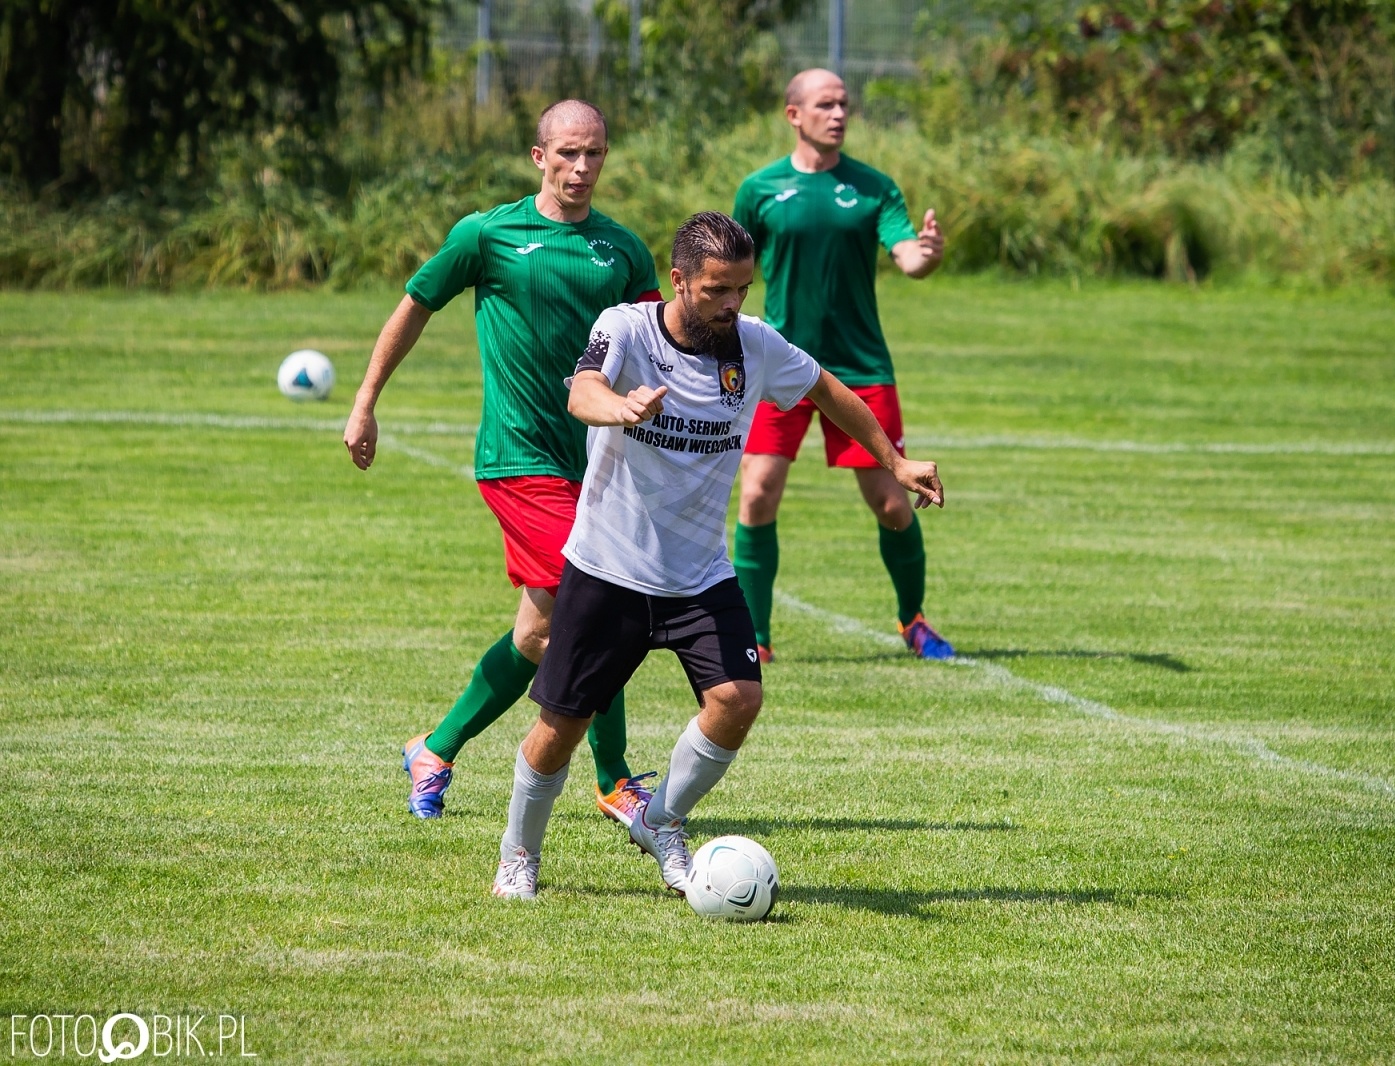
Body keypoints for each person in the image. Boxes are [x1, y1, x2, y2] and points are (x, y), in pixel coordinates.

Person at [491, 212, 945, 899]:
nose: (732, 303)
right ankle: (519, 855)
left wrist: (895, 461)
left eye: (741, 288)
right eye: (715, 290)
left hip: (700, 574)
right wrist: (618, 407)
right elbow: (582, 390)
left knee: (738, 700)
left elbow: (828, 390)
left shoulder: (755, 344)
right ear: (678, 281)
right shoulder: (626, 327)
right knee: (562, 728)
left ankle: (661, 820)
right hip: (609, 567)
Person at [343, 100, 660, 823]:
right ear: (538, 156)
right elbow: (414, 306)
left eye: (595, 155)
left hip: (601, 463)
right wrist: (365, 402)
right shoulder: (487, 233)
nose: (582, 168)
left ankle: (436, 748)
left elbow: (654, 343)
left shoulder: (622, 249)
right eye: (569, 153)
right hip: (518, 459)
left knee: (538, 633)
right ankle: (612, 779)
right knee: (598, 604)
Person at [731, 68, 954, 664]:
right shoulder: (759, 190)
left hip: (860, 369)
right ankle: (755, 638)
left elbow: (908, 256)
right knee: (756, 496)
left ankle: (914, 621)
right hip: (779, 367)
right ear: (793, 115)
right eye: (825, 104)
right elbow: (732, 273)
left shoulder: (874, 188)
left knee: (890, 500)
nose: (838, 114)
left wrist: (926, 256)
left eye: (844, 105)